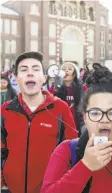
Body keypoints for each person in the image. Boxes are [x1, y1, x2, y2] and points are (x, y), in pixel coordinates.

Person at [1, 52, 78, 193]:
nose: (30, 73)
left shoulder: (61, 108)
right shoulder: (5, 109)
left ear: (43, 78)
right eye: (24, 70)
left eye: (36, 69)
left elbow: (72, 150)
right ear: (17, 79)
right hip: (12, 189)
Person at [54, 62, 88, 136]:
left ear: (75, 73)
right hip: (61, 124)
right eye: (63, 69)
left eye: (69, 69)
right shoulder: (56, 88)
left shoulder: (82, 88)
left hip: (78, 124)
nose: (66, 71)